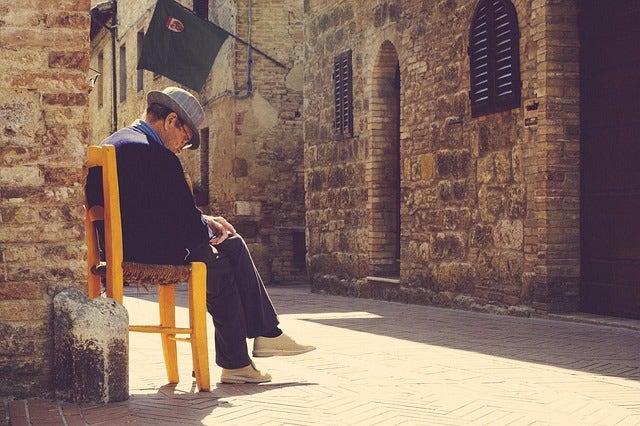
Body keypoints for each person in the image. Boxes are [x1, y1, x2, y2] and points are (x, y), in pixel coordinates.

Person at [86, 86, 315, 384]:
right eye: (187, 138)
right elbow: (184, 222)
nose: (184, 146)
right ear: (170, 121)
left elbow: (157, 209)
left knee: (230, 244)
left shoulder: (118, 143)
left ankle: (264, 336)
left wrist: (206, 223)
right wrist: (206, 229)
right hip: (146, 250)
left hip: (128, 244)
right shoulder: (154, 154)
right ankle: (242, 356)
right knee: (216, 262)